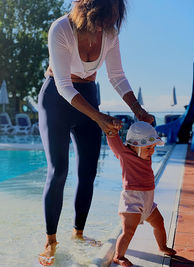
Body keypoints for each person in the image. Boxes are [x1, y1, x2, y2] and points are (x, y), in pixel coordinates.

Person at [38, 0, 154, 265]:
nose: (105, 27)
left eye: (111, 20)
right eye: (102, 19)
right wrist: (99, 117)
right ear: (88, 12)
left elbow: (116, 76)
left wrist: (138, 109)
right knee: (58, 171)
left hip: (89, 96)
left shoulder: (110, 33)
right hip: (57, 98)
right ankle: (51, 240)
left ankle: (78, 234)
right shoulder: (61, 29)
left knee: (88, 172)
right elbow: (65, 85)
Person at [107, 121, 176, 267]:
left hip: (148, 202)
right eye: (148, 148)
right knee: (129, 231)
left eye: (153, 147)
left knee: (159, 223)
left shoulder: (146, 156)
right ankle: (118, 256)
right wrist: (111, 131)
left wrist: (144, 119)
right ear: (134, 146)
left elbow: (143, 128)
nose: (152, 151)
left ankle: (162, 246)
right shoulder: (125, 156)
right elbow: (115, 145)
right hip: (132, 201)